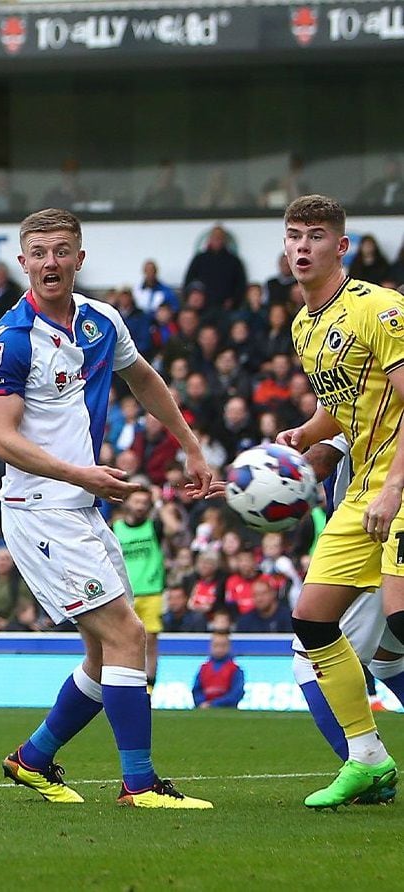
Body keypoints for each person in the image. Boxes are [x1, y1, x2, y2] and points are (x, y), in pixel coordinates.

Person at [0, 208, 213, 809]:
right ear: (23, 260)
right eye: (39, 252)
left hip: (82, 507)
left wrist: (191, 447)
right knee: (127, 633)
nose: (50, 262)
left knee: (104, 648)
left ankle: (31, 759)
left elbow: (144, 378)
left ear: (80, 258)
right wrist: (80, 472)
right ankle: (138, 784)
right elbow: (1, 440)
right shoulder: (10, 340)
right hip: (41, 509)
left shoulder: (102, 321)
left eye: (62, 250)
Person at [275, 195, 404, 808]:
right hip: (360, 490)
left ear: (341, 247)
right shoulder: (305, 324)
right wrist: (308, 433)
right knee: (312, 621)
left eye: (316, 236)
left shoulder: (379, 309)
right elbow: (345, 401)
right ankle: (368, 758)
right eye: (295, 235)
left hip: (399, 482)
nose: (303, 246)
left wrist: (395, 488)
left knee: (401, 619)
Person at [111, 490, 167, 691]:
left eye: (145, 502)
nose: (141, 506)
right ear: (127, 503)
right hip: (125, 594)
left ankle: (149, 686)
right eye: (137, 501)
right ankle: (126, 683)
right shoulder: (115, 529)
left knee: (150, 640)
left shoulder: (155, 526)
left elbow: (176, 528)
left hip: (151, 591)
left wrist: (160, 500)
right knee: (125, 640)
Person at [192, 632, 244, 708]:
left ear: (229, 647)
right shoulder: (204, 668)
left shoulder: (235, 669)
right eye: (216, 645)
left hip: (227, 709)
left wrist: (214, 704)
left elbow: (236, 693)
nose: (219, 649)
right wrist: (202, 703)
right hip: (204, 709)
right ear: (211, 647)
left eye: (223, 646)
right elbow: (196, 690)